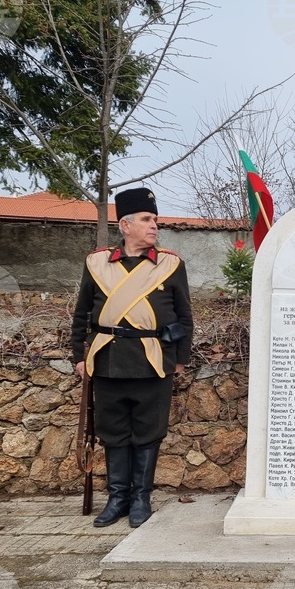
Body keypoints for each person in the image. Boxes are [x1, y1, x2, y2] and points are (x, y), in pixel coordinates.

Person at [71, 188, 193, 528]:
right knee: (113, 432)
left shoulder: (170, 264)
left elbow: (184, 316)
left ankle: (141, 498)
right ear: (125, 225)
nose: (154, 225)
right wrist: (77, 357)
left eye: (155, 219)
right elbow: (82, 313)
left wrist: (179, 359)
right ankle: (117, 498)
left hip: (153, 360)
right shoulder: (97, 263)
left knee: (148, 433)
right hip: (108, 359)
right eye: (146, 219)